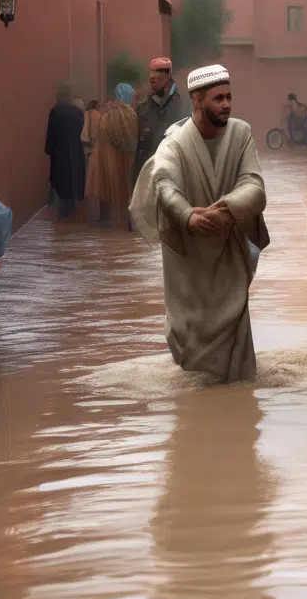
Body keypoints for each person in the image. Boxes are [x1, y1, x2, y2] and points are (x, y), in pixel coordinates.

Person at [130, 64, 271, 383]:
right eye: (218, 98)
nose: (226, 104)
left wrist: (229, 208)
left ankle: (235, 414)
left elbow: (254, 185)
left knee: (236, 353)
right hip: (188, 258)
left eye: (229, 97)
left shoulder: (241, 133)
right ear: (197, 101)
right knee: (187, 337)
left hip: (229, 250)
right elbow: (163, 183)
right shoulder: (174, 144)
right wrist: (189, 216)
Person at [133, 57, 191, 188]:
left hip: (175, 172)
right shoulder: (143, 108)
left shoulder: (184, 105)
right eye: (151, 79)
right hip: (148, 171)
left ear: (168, 76)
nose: (153, 81)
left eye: (157, 78)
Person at [91, 83, 139, 228]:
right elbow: (130, 137)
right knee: (124, 187)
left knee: (104, 186)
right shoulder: (127, 113)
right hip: (122, 156)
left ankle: (105, 219)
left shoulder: (105, 111)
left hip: (102, 155)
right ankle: (124, 221)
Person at [45, 85, 87, 220]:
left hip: (59, 152)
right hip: (76, 150)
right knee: (74, 179)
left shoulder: (55, 111)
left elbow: (51, 132)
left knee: (61, 180)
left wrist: (48, 149)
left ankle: (63, 211)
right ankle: (73, 208)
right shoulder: (78, 112)